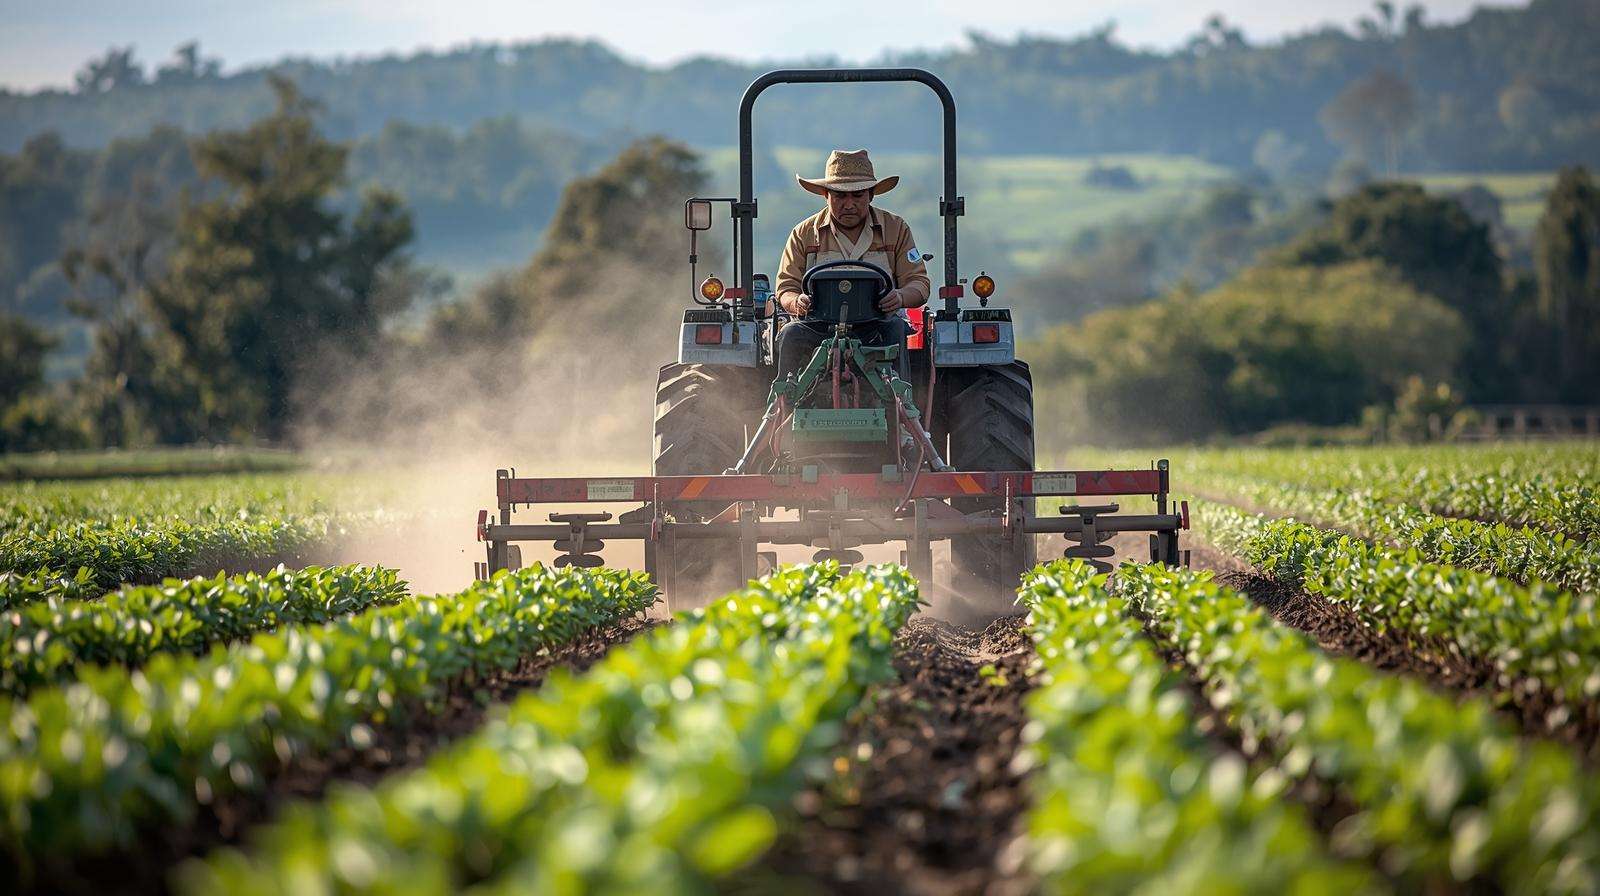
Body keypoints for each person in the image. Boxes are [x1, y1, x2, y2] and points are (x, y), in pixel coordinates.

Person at [773, 149, 931, 383]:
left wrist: (899, 297)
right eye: (839, 196)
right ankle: (785, 400)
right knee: (790, 333)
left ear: (871, 195)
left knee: (897, 329)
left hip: (878, 325)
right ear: (826, 195)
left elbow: (919, 283)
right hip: (818, 326)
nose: (849, 204)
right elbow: (785, 287)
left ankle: (900, 404)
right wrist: (796, 302)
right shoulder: (803, 234)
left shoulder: (896, 229)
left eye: (857, 195)